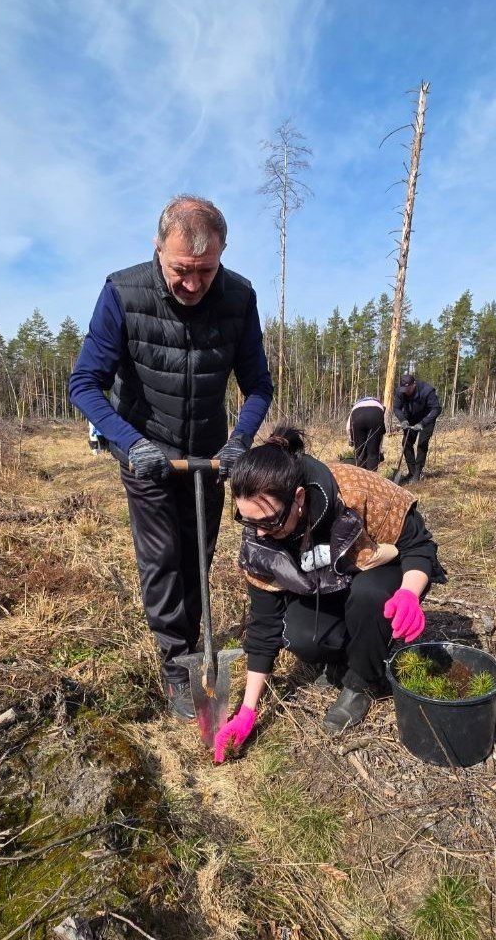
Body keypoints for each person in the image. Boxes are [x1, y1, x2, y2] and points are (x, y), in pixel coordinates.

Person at [69, 195, 273, 720]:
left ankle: (200, 648)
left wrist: (238, 442)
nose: (193, 283)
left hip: (209, 454)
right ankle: (175, 664)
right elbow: (85, 383)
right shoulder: (122, 292)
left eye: (206, 271)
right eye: (182, 270)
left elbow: (257, 387)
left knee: (197, 556)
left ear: (221, 256)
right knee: (162, 559)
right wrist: (129, 443)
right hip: (146, 448)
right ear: (158, 248)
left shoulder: (239, 296)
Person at [213, 425, 446, 762]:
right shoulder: (259, 538)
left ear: (299, 499)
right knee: (298, 635)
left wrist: (410, 593)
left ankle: (361, 682)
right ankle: (351, 655)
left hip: (377, 572)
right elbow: (265, 625)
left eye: (271, 520)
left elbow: (418, 544)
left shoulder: (355, 491)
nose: (261, 532)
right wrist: (247, 711)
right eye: (247, 520)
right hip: (327, 587)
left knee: (369, 595)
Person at [392, 373, 442, 482]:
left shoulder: (427, 391)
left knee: (422, 444)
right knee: (406, 444)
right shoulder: (400, 392)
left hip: (427, 419)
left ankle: (418, 472)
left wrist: (423, 423)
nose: (405, 391)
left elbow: (436, 409)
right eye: (403, 389)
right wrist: (403, 420)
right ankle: (412, 472)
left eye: (407, 389)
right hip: (410, 418)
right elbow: (396, 408)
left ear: (413, 385)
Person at [346, 395, 386, 471]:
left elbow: (348, 427)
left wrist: (351, 440)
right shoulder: (379, 405)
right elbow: (381, 432)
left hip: (358, 415)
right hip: (375, 415)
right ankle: (372, 477)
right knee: (373, 452)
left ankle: (361, 477)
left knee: (360, 451)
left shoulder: (356, 406)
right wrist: (379, 448)